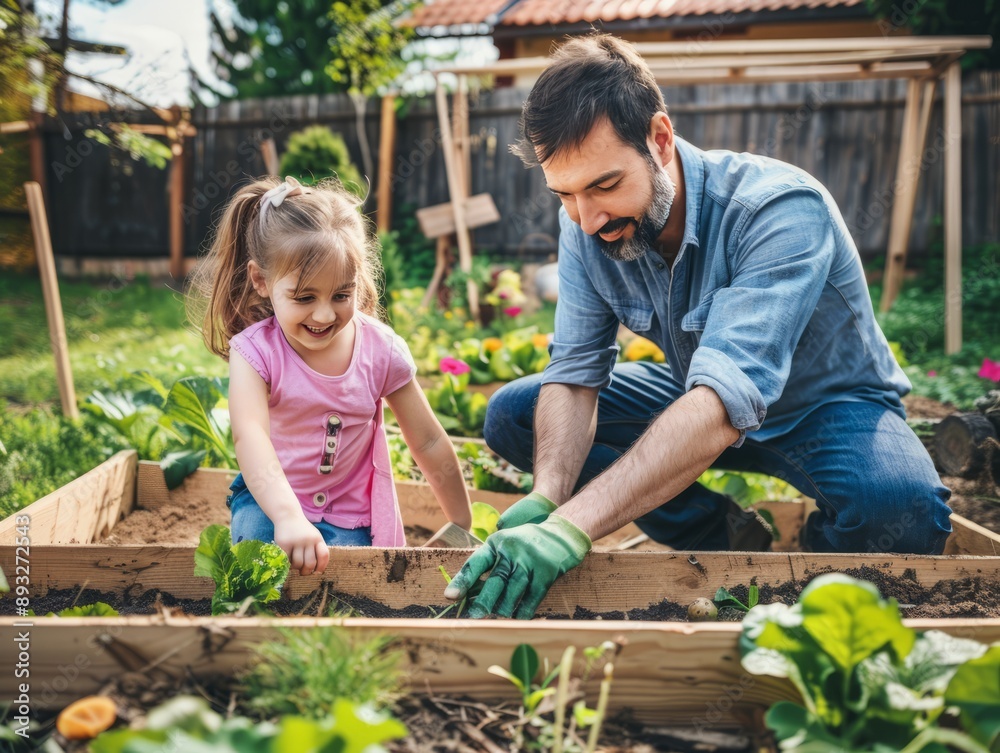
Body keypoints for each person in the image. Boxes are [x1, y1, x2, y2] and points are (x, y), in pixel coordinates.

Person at [443, 33, 952, 619]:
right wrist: (548, 498)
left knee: (904, 512)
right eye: (566, 195)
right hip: (695, 391)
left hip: (826, 409)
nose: (588, 219)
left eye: (605, 185)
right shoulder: (587, 222)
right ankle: (724, 538)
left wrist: (571, 529)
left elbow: (722, 401)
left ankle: (809, 575)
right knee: (516, 413)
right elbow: (576, 374)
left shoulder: (778, 209)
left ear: (660, 139)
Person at [192, 175, 472, 576]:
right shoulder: (255, 352)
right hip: (270, 500)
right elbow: (249, 436)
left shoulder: (381, 350)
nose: (324, 314)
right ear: (261, 281)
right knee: (255, 567)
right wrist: (288, 517)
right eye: (305, 297)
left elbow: (427, 439)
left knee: (351, 580)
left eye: (342, 295)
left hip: (351, 515)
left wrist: (461, 522)